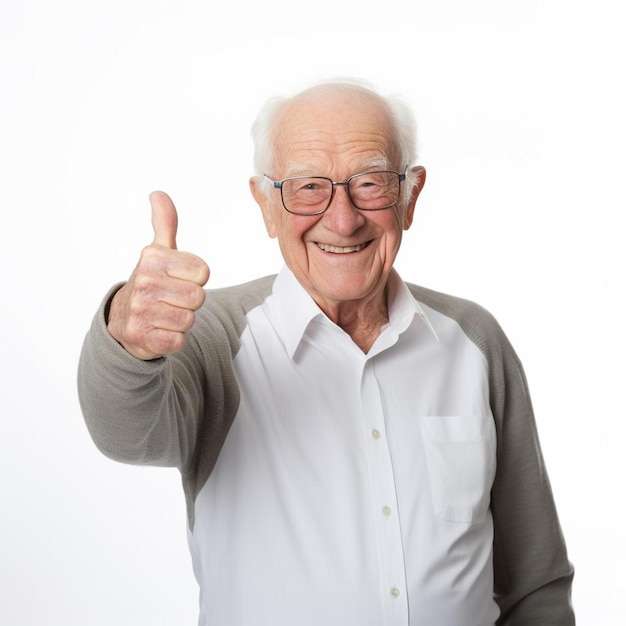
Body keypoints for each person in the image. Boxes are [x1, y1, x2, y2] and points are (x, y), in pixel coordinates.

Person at [77, 79, 575, 625]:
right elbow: (124, 431)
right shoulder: (210, 337)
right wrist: (127, 339)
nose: (342, 219)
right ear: (266, 205)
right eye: (308, 187)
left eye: (370, 182)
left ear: (410, 196)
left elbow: (535, 586)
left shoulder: (475, 341)